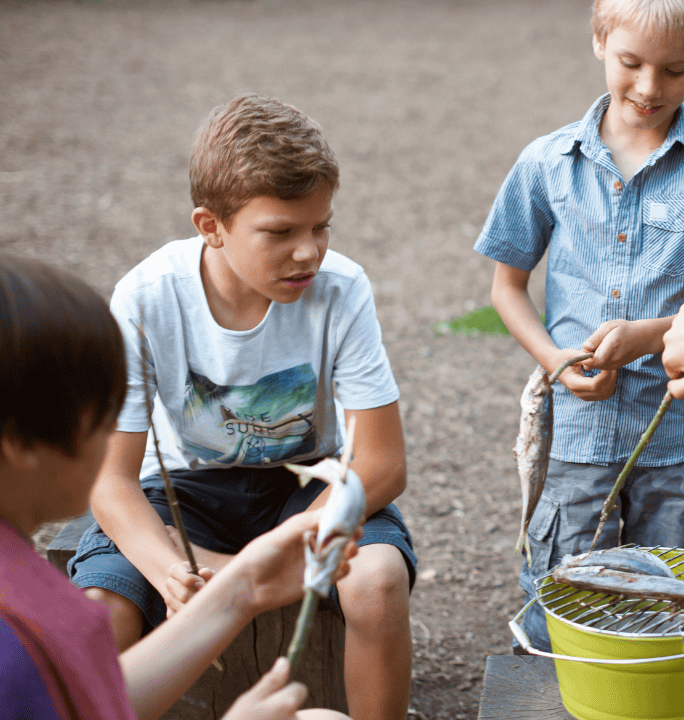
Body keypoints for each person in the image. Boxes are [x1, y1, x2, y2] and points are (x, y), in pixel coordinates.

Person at [66, 94, 416, 720]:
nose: (309, 251)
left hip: (304, 489)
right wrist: (172, 570)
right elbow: (110, 480)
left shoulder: (342, 288)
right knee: (99, 609)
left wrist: (281, 546)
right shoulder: (147, 298)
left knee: (378, 580)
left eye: (321, 226)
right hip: (184, 492)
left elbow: (384, 464)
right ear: (211, 226)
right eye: (281, 232)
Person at [474, 0, 684, 651]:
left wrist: (648, 337)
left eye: (674, 70)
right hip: (574, 433)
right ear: (599, 41)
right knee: (567, 589)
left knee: (673, 592)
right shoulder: (547, 162)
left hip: (675, 428)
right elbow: (506, 287)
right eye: (631, 63)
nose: (648, 87)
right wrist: (557, 361)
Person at [0, 255, 353, 720]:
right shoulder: (27, 632)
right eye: (103, 415)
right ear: (19, 445)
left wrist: (242, 587)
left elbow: (86, 702)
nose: (116, 437)